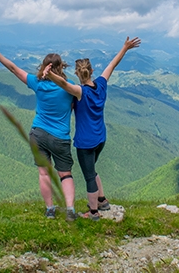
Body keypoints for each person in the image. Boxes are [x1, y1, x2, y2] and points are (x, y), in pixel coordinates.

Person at [43, 36, 141, 221]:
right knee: (92, 170)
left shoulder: (80, 92)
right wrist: (125, 48)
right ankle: (102, 200)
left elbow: (64, 84)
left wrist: (49, 75)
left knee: (89, 176)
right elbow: (112, 65)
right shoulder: (101, 85)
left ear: (78, 75)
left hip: (85, 143)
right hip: (100, 139)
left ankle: (94, 212)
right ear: (92, 71)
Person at [0, 40, 79, 221]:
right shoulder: (69, 86)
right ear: (61, 67)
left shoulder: (37, 83)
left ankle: (50, 209)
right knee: (65, 174)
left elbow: (13, 68)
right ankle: (70, 210)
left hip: (38, 133)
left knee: (44, 173)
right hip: (60, 136)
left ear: (44, 67)